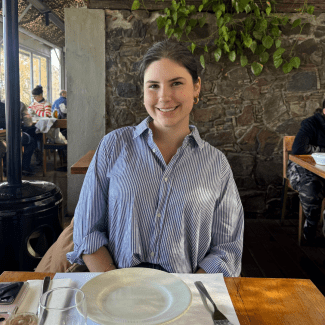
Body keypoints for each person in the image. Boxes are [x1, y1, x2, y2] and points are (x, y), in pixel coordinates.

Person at [66, 40, 244, 276]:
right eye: (153, 86)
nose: (164, 97)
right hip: (117, 291)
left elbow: (227, 249)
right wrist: (114, 286)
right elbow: (87, 230)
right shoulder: (113, 146)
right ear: (143, 91)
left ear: (196, 87)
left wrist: (190, 294)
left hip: (187, 296)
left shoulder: (216, 164)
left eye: (176, 83)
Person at [287, 104, 325, 242]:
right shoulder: (311, 123)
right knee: (312, 187)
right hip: (301, 166)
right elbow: (298, 148)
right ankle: (311, 224)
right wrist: (322, 150)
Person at [0, 101, 36, 175]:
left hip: (2, 137)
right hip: (13, 135)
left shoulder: (3, 103)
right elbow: (28, 123)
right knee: (31, 141)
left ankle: (6, 166)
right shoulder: (20, 104)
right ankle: (25, 168)